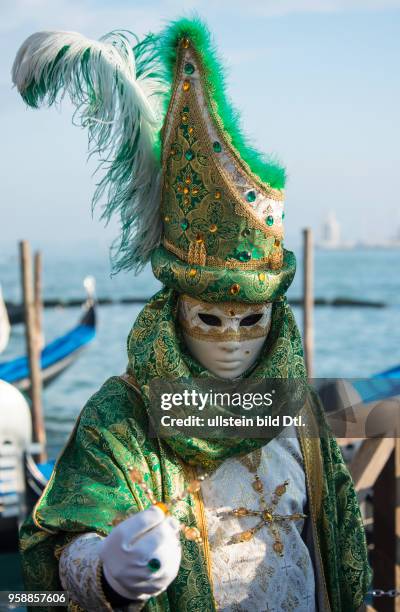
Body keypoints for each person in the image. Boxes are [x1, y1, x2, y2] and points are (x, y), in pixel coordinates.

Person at [13, 17, 371, 611]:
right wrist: (105, 570)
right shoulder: (124, 414)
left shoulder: (294, 406)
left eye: (249, 318)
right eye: (211, 318)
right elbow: (58, 547)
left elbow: (340, 545)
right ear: (177, 310)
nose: (232, 339)